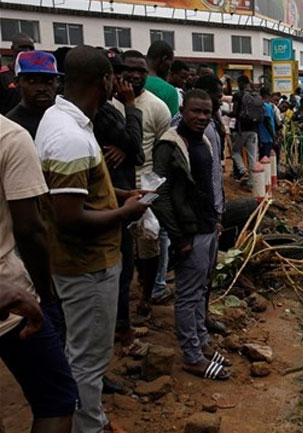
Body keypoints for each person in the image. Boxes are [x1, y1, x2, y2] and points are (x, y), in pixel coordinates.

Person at [35, 45, 150, 433]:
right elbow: (69, 216)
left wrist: (119, 196)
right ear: (105, 81)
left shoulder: (63, 121)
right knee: (89, 357)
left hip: (78, 264)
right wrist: (126, 213)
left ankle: (90, 418)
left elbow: (78, 193)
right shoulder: (70, 137)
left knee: (80, 350)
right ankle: (90, 426)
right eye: (114, 78)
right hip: (88, 267)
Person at [1, 114, 79, 433]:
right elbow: (31, 229)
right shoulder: (10, 137)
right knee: (56, 399)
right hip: (11, 303)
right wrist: (46, 297)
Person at [152, 89, 231, 381]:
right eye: (195, 111)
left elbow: (208, 185)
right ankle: (192, 356)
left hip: (207, 227)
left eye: (206, 112)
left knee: (200, 291)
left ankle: (202, 342)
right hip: (189, 231)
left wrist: (216, 219)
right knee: (187, 295)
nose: (201, 117)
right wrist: (179, 237)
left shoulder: (204, 140)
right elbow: (160, 195)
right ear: (183, 110)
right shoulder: (170, 144)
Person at [93, 53, 146, 353]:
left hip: (119, 194)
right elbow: (137, 148)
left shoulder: (104, 110)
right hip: (113, 203)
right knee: (120, 269)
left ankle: (119, 325)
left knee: (123, 268)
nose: (125, 82)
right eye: (119, 76)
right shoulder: (106, 111)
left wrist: (126, 149)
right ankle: (120, 333)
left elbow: (133, 152)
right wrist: (130, 106)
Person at [115, 50, 173, 311]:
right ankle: (120, 302)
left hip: (148, 184)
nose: (136, 75)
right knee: (119, 247)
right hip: (116, 185)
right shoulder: (107, 104)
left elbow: (164, 148)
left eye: (141, 71)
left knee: (149, 243)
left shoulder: (157, 107)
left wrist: (158, 187)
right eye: (130, 70)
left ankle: (147, 296)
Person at [6, 51, 60, 138]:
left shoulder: (67, 118)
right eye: (32, 81)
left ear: (57, 82)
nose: (41, 88)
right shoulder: (9, 127)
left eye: (48, 81)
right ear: (17, 82)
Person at [230, 75, 261, 184]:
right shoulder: (256, 95)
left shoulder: (238, 95)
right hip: (254, 130)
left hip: (241, 129)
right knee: (252, 157)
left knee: (235, 151)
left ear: (241, 83)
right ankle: (252, 182)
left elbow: (234, 113)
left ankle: (243, 170)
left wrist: (225, 113)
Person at [0, 33, 35, 115]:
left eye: (30, 48)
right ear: (12, 49)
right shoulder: (2, 75)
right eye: (22, 47)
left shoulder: (37, 75)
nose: (27, 50)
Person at [144, 40, 178, 116]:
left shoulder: (128, 83)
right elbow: (173, 124)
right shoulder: (169, 90)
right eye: (170, 63)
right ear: (164, 59)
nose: (169, 68)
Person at [258, 87, 277, 159]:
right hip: (267, 137)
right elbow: (268, 121)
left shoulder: (260, 105)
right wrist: (273, 136)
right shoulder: (267, 106)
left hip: (261, 136)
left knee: (262, 157)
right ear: (267, 95)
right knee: (266, 158)